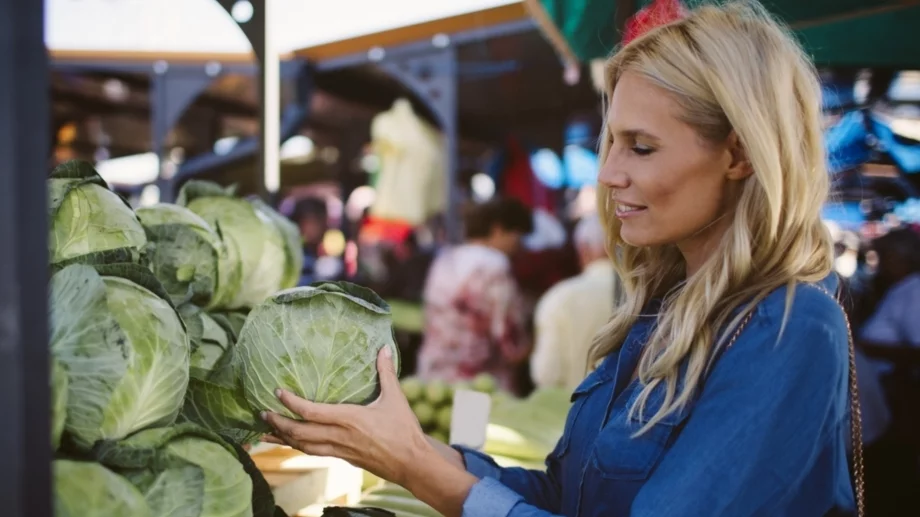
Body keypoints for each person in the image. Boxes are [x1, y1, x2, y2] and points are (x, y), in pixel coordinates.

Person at [260, 3, 859, 516]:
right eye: (611, 142)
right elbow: (563, 496)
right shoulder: (658, 317)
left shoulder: (792, 329)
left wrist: (416, 463)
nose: (607, 174)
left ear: (739, 154)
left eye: (641, 147)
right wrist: (403, 446)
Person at [409, 197, 534, 394]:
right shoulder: (495, 266)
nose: (519, 246)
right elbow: (511, 343)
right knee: (469, 426)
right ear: (498, 229)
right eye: (517, 236)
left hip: (431, 381)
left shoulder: (446, 258)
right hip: (477, 388)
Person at [530, 213, 620, 391]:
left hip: (570, 412)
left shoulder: (559, 298)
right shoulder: (652, 294)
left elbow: (546, 374)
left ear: (583, 249)